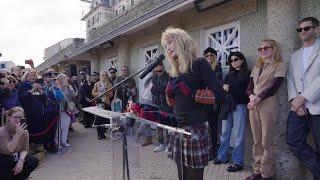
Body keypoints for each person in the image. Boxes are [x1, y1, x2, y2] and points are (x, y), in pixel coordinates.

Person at [161, 27, 224, 180]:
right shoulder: (175, 69)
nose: (168, 48)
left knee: (193, 177)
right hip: (177, 127)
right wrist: (169, 94)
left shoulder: (199, 63)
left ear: (182, 42)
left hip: (195, 128)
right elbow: (175, 103)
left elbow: (220, 95)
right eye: (166, 45)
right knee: (181, 175)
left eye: (170, 42)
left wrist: (191, 92)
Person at [245, 39, 286, 180]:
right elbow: (249, 86)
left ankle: (266, 174)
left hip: (267, 104)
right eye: (260, 48)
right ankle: (257, 171)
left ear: (273, 49)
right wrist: (251, 96)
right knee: (256, 139)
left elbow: (274, 87)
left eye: (266, 48)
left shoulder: (279, 65)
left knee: (266, 140)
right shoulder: (257, 66)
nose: (263, 50)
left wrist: (257, 98)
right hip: (253, 104)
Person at [286, 17, 320, 180]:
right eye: (300, 30)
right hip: (297, 107)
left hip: (317, 105)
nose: (302, 32)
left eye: (307, 28)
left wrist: (304, 98)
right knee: (293, 140)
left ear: (317, 29)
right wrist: (295, 100)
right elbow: (290, 79)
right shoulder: (295, 55)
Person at [213, 51, 250, 172]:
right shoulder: (229, 75)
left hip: (240, 105)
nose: (233, 62)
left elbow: (246, 92)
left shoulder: (247, 74)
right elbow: (223, 89)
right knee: (224, 133)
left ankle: (238, 162)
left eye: (236, 59)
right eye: (231, 61)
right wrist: (225, 88)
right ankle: (222, 156)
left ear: (242, 60)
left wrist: (230, 88)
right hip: (227, 106)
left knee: (239, 135)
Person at [0, 106, 39, 180]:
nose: (18, 120)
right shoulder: (2, 131)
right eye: (15, 117)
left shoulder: (24, 131)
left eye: (20, 117)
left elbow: (25, 148)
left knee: (32, 161)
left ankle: (19, 177)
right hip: (4, 157)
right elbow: (8, 151)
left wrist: (21, 160)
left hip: (15, 155)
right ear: (9, 118)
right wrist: (18, 134)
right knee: (7, 161)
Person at [203, 47, 222, 159]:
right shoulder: (202, 68)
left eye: (211, 55)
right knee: (204, 128)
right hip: (202, 101)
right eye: (206, 55)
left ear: (214, 56)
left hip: (212, 101)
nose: (209, 57)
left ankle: (212, 152)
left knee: (213, 128)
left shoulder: (217, 68)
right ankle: (205, 150)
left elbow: (215, 85)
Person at [18, 69, 47, 145]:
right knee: (31, 132)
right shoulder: (23, 85)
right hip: (29, 114)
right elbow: (23, 98)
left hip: (39, 113)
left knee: (40, 130)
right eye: (30, 76)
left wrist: (41, 91)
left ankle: (39, 147)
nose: (32, 77)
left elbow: (44, 99)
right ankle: (31, 147)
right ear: (26, 77)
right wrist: (32, 89)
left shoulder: (38, 85)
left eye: (34, 75)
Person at [151, 62, 170, 152]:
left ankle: (168, 145)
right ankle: (161, 144)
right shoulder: (154, 77)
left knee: (167, 126)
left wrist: (157, 88)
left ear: (163, 67)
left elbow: (165, 89)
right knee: (158, 126)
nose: (158, 72)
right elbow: (152, 90)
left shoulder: (168, 76)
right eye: (157, 71)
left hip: (166, 105)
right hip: (156, 105)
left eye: (160, 71)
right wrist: (158, 88)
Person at [56, 74, 77, 147]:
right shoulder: (57, 88)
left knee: (66, 126)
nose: (66, 81)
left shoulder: (69, 87)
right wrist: (61, 88)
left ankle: (64, 141)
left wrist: (68, 88)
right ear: (60, 80)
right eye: (64, 79)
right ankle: (57, 142)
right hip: (60, 110)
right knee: (59, 128)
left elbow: (73, 95)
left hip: (68, 109)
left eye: (66, 79)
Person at [92, 70, 113, 140]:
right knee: (98, 119)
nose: (104, 77)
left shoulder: (109, 84)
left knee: (105, 119)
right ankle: (99, 134)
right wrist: (99, 93)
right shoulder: (97, 84)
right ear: (100, 76)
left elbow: (111, 95)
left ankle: (103, 133)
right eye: (102, 75)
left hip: (106, 103)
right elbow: (93, 93)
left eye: (105, 75)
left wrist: (106, 92)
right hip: (99, 103)